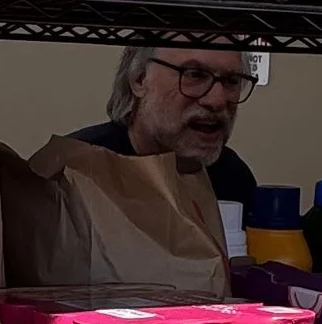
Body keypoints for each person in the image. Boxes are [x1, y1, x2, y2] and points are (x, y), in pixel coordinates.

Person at [71, 45, 261, 209]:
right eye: (194, 75)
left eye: (232, 80)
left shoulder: (233, 177)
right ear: (139, 79)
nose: (218, 100)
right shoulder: (76, 169)